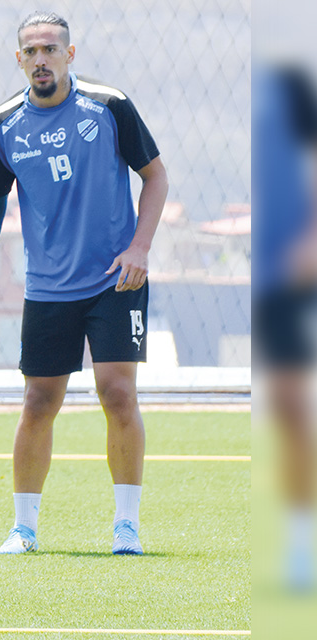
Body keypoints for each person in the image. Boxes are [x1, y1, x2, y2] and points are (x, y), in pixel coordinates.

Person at [0, 12, 168, 556]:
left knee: (117, 392)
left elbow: (156, 176)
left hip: (116, 280)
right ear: (19, 59)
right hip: (48, 287)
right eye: (31, 51)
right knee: (38, 401)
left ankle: (127, 527)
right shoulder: (1, 125)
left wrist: (140, 247)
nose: (41, 59)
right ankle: (23, 530)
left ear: (69, 55)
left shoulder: (108, 106)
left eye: (51, 49)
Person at [254, 61, 317, 591]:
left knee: (294, 406)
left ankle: (302, 549)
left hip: (294, 271)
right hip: (255, 277)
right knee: (280, 406)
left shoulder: (289, 82)